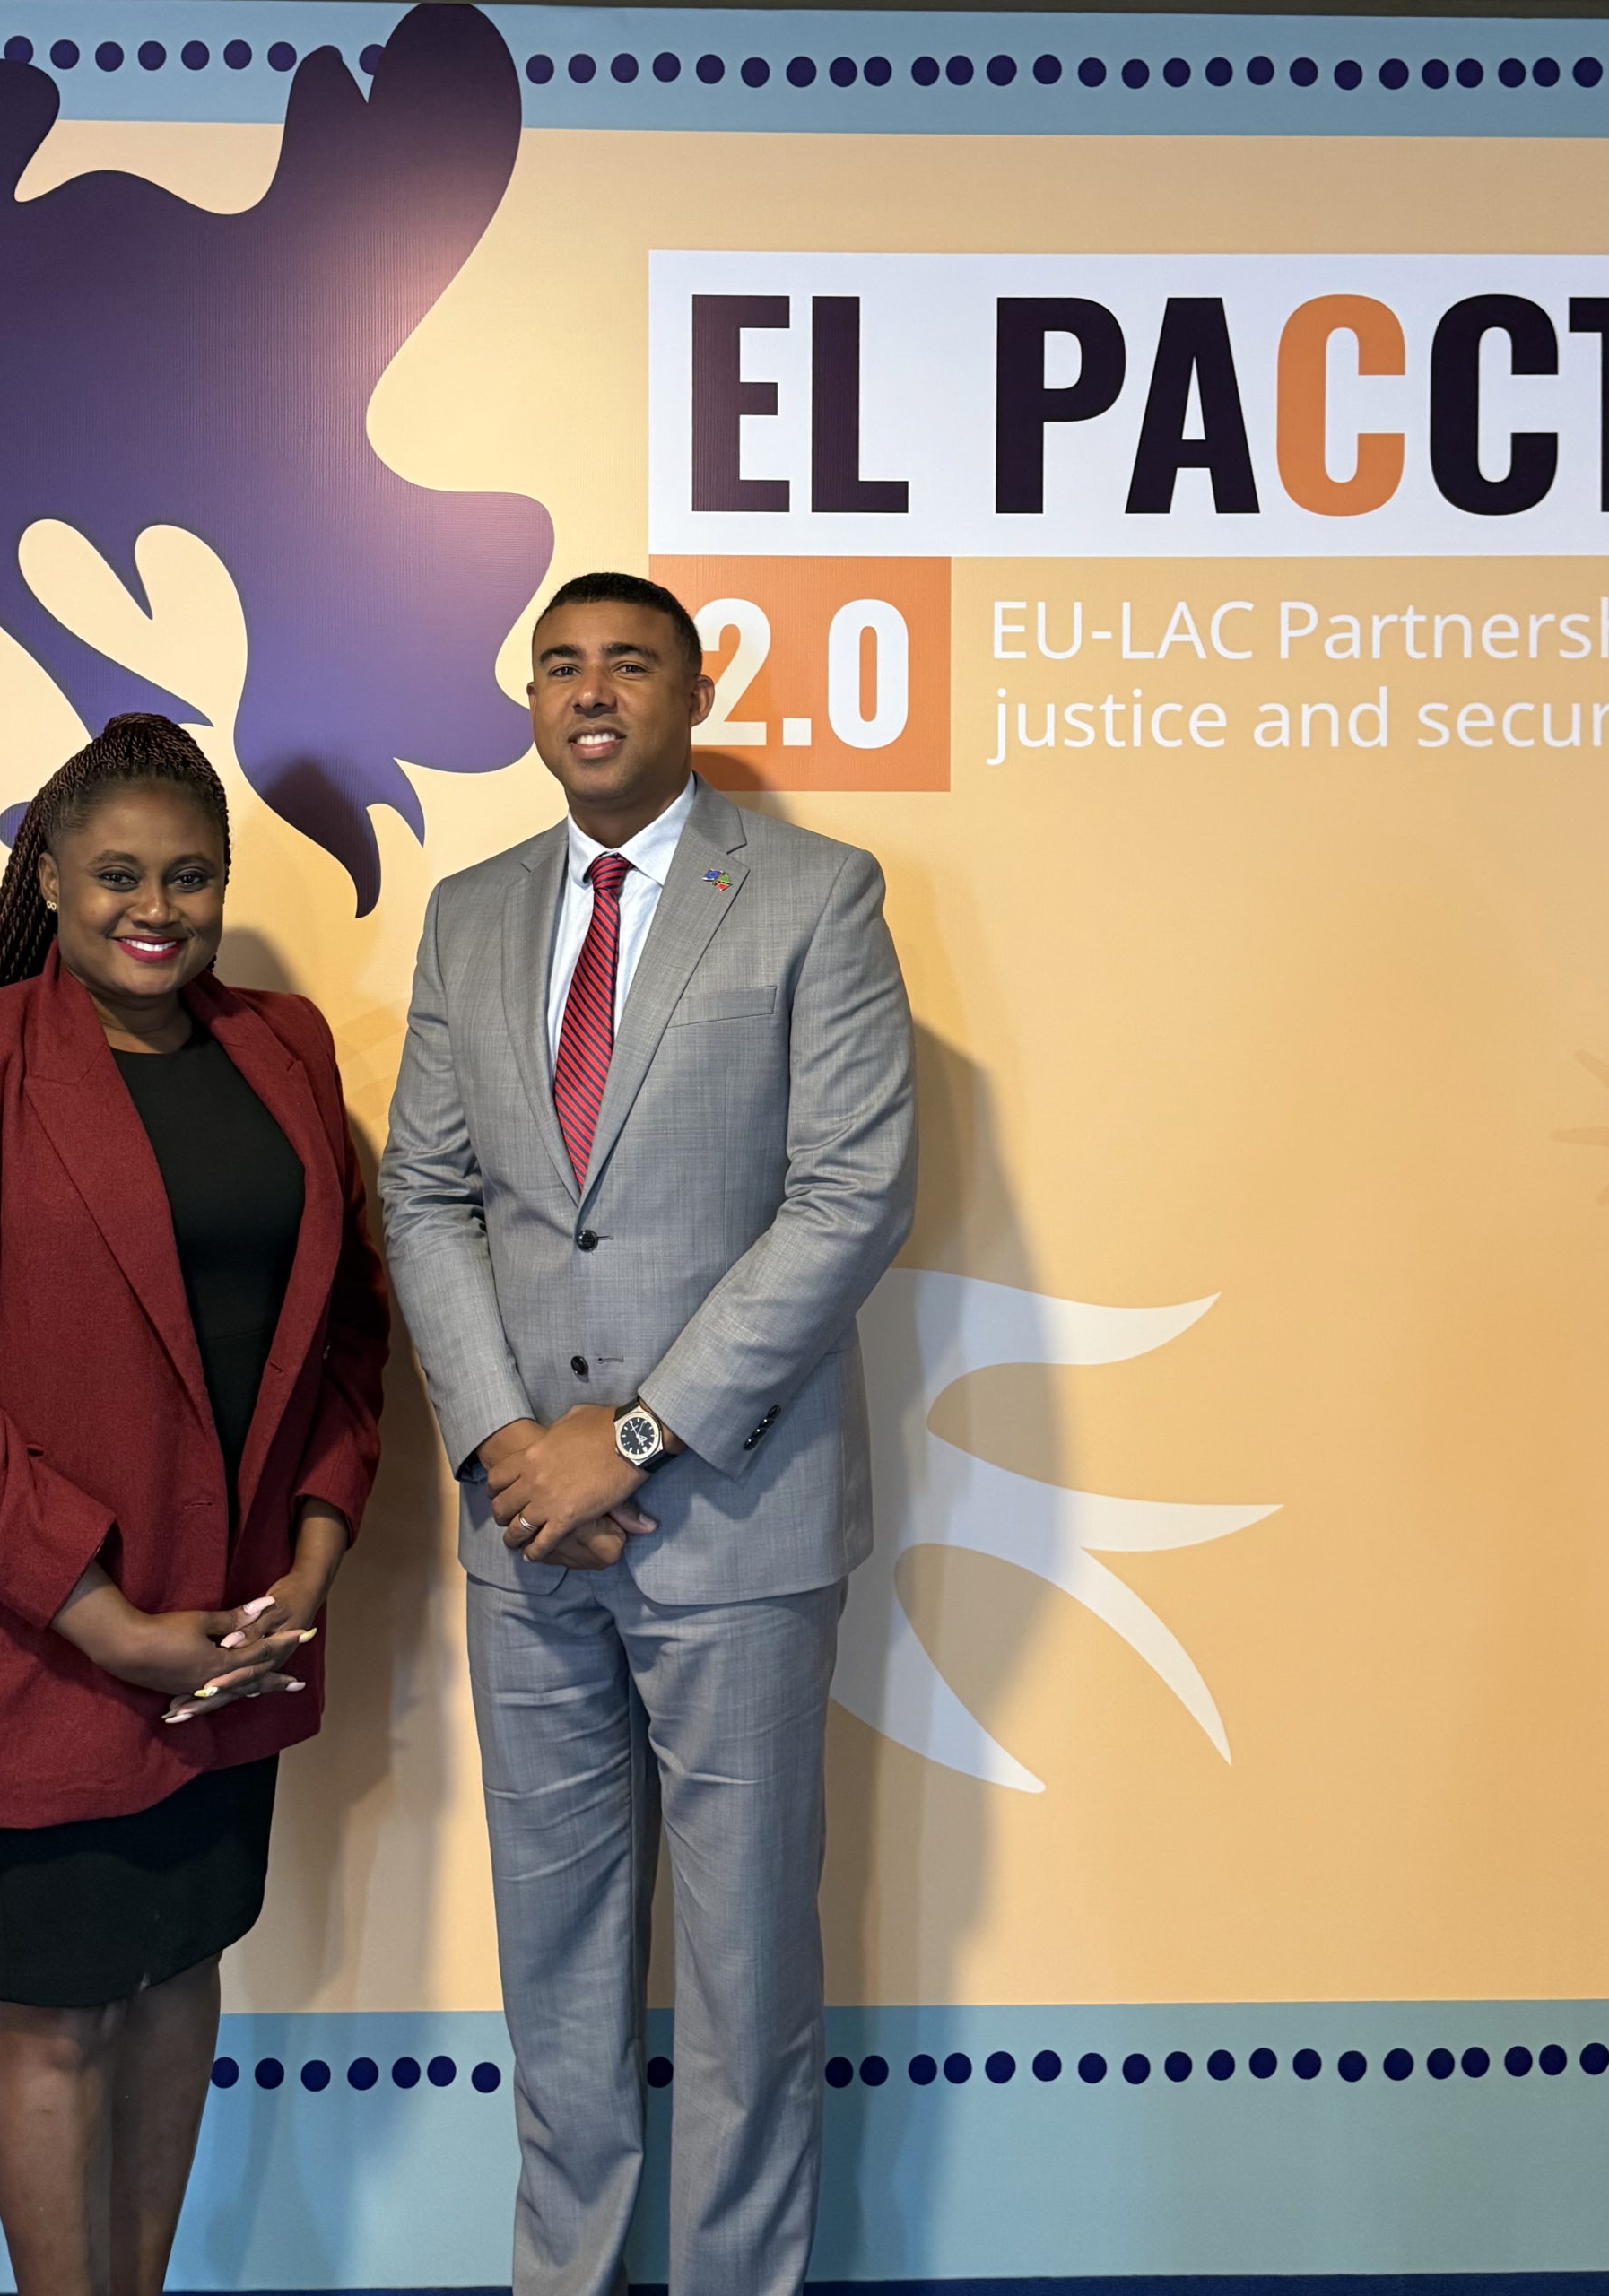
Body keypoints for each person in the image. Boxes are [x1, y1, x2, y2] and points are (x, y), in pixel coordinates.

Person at [380, 570, 916, 2296]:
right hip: (523, 1531)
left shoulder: (817, 896)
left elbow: (848, 1196)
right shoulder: (470, 913)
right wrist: (504, 1444)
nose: (591, 690)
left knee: (747, 1973)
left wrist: (627, 1438)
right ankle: (566, 2276)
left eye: (629, 663)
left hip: (736, 1520)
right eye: (560, 664)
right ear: (529, 701)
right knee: (555, 1965)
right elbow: (425, 1194)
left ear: (694, 693)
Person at [0, 714, 388, 2296]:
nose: (157, 907)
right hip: (39, 1642)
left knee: (180, 1974)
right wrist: (103, 1618)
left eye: (189, 876)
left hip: (232, 1635)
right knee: (60, 2015)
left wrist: (317, 1551)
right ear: (52, 882)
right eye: (119, 875)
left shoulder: (283, 1046)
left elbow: (348, 1330)